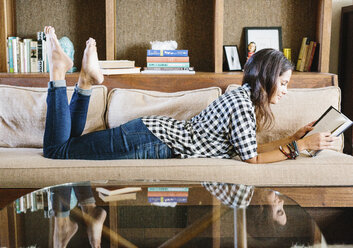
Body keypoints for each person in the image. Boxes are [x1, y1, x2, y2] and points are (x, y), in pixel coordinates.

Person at [43, 26, 337, 163]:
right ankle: (60, 72)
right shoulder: (242, 103)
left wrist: (295, 138)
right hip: (150, 141)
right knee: (58, 151)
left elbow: (249, 149)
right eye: (284, 83)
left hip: (150, 136)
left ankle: (84, 81)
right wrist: (300, 147)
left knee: (70, 145)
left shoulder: (243, 98)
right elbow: (253, 161)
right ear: (269, 78)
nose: (285, 91)